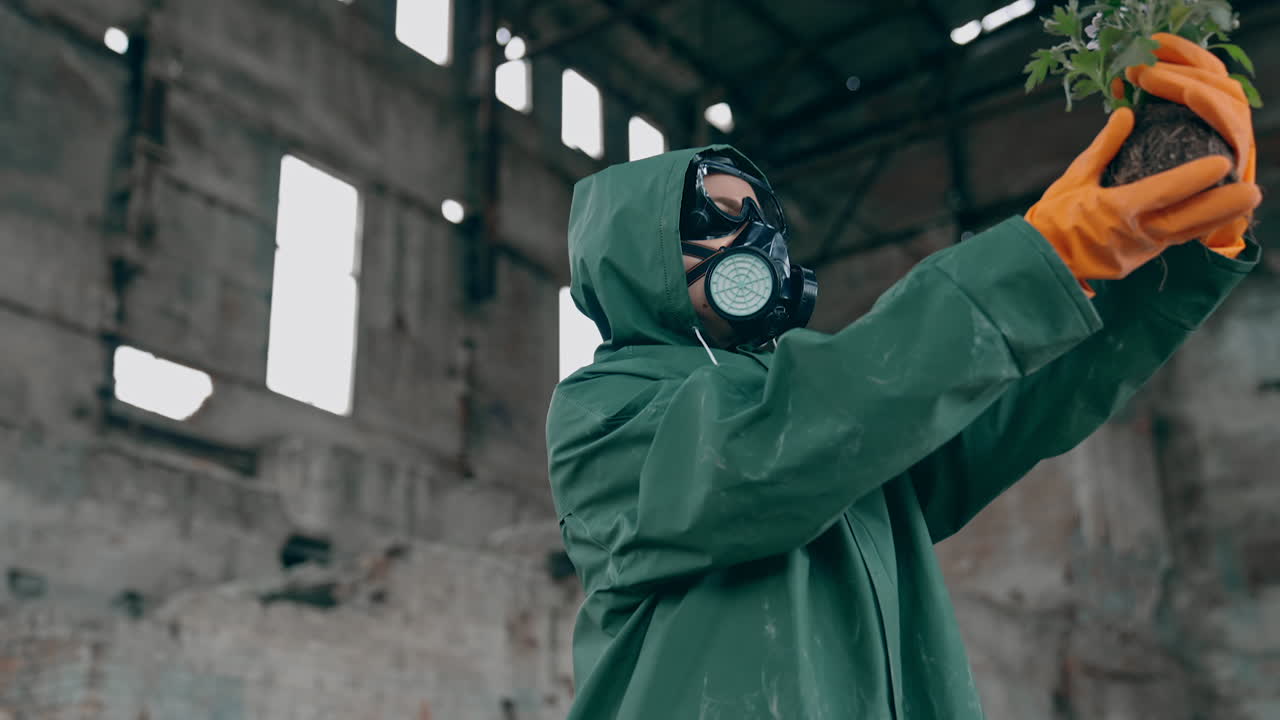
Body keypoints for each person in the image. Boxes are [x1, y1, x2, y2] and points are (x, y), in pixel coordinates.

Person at [546, 34, 1261, 719]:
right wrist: (1041, 253)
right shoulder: (603, 411)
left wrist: (1168, 261)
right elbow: (771, 453)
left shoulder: (841, 431)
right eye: (727, 219)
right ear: (641, 253)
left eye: (767, 225)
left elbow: (1007, 411)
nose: (759, 246)